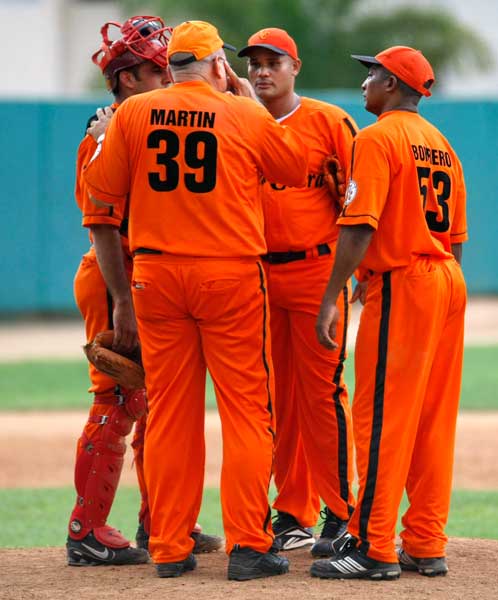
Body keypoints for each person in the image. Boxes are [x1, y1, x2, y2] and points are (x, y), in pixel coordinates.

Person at [82, 20, 309, 580]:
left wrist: (119, 300)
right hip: (229, 275)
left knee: (171, 414)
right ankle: (250, 546)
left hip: (155, 277)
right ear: (215, 65)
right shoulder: (243, 111)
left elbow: (101, 208)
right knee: (246, 412)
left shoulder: (132, 114)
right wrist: (250, 97)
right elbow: (294, 168)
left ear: (173, 65)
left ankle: (168, 545)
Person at [67, 15, 222, 567]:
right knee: (118, 398)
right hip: (115, 274)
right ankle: (86, 530)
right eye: (158, 71)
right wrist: (122, 301)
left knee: (159, 405)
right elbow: (103, 221)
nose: (168, 80)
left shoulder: (139, 121)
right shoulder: (109, 128)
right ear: (129, 78)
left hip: (144, 274)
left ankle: (161, 519)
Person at [312, 46, 467, 580]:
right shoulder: (443, 146)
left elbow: (359, 226)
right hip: (446, 279)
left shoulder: (377, 138)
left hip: (403, 281)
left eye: (372, 73)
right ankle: (425, 542)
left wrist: (334, 294)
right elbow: (458, 240)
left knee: (381, 418)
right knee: (431, 420)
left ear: (395, 84)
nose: (365, 82)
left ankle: (375, 547)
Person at [238, 28, 357, 555]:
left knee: (322, 395)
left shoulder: (330, 122)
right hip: (259, 274)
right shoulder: (238, 121)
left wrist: (350, 284)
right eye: (256, 63)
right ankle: (292, 511)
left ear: (295, 68)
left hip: (317, 272)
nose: (263, 71)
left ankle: (342, 512)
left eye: (273, 62)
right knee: (276, 401)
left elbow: (360, 204)